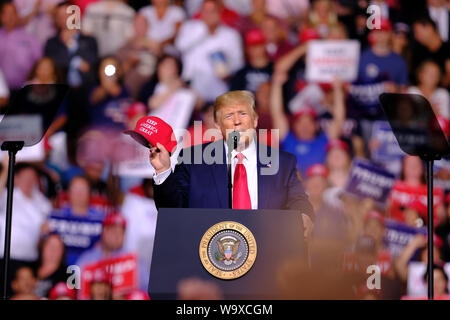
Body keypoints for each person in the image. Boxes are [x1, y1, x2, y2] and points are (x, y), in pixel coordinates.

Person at [149, 90, 315, 241]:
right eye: (228, 116)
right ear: (218, 125)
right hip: (209, 259)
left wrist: (304, 213)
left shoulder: (282, 162)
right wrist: (163, 171)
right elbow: (172, 211)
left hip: (268, 256)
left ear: (255, 120)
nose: (237, 122)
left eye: (243, 114)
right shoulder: (192, 159)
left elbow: (298, 199)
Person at [175, 0, 244, 102]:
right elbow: (180, 47)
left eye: (212, 11)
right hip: (192, 85)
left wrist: (227, 68)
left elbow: (239, 63)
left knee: (215, 114)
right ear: (200, 12)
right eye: (205, 11)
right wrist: (204, 29)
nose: (208, 15)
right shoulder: (189, 27)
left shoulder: (231, 34)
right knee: (197, 118)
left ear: (220, 12)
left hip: (219, 85)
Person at [0, 2, 42, 91]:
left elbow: (39, 64)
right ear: (1, 16)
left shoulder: (31, 39)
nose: (10, 17)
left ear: (18, 16)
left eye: (13, 13)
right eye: (6, 13)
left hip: (25, 90)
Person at [33, 233, 68, 298]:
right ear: (42, 247)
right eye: (50, 245)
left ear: (63, 252)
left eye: (57, 247)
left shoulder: (68, 275)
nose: (53, 250)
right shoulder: (29, 269)